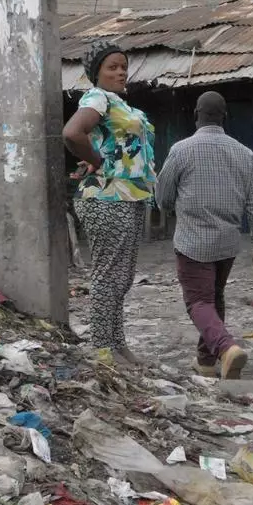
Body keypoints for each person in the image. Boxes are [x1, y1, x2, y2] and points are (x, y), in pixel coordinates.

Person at [156, 91, 253, 380]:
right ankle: (206, 362)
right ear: (224, 118)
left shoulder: (181, 150)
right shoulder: (244, 153)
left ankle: (226, 348)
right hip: (227, 244)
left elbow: (163, 198)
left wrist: (175, 208)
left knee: (198, 302)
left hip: (192, 242)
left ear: (196, 115)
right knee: (214, 297)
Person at [62, 40, 156, 364]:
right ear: (96, 73)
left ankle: (118, 344)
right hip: (106, 196)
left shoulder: (119, 103)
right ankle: (102, 349)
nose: (121, 72)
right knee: (108, 275)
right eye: (112, 67)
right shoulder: (97, 97)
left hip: (130, 195)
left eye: (123, 67)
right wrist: (97, 161)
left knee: (123, 277)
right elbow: (72, 133)